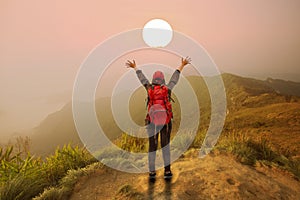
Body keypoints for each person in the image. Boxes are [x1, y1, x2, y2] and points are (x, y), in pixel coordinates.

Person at [126, 57, 191, 180]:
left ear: (153, 80)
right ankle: (167, 171)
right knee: (165, 145)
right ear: (163, 80)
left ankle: (152, 172)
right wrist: (181, 65)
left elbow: (142, 79)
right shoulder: (167, 89)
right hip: (165, 123)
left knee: (152, 146)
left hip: (152, 122)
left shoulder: (149, 89)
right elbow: (174, 79)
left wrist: (135, 68)